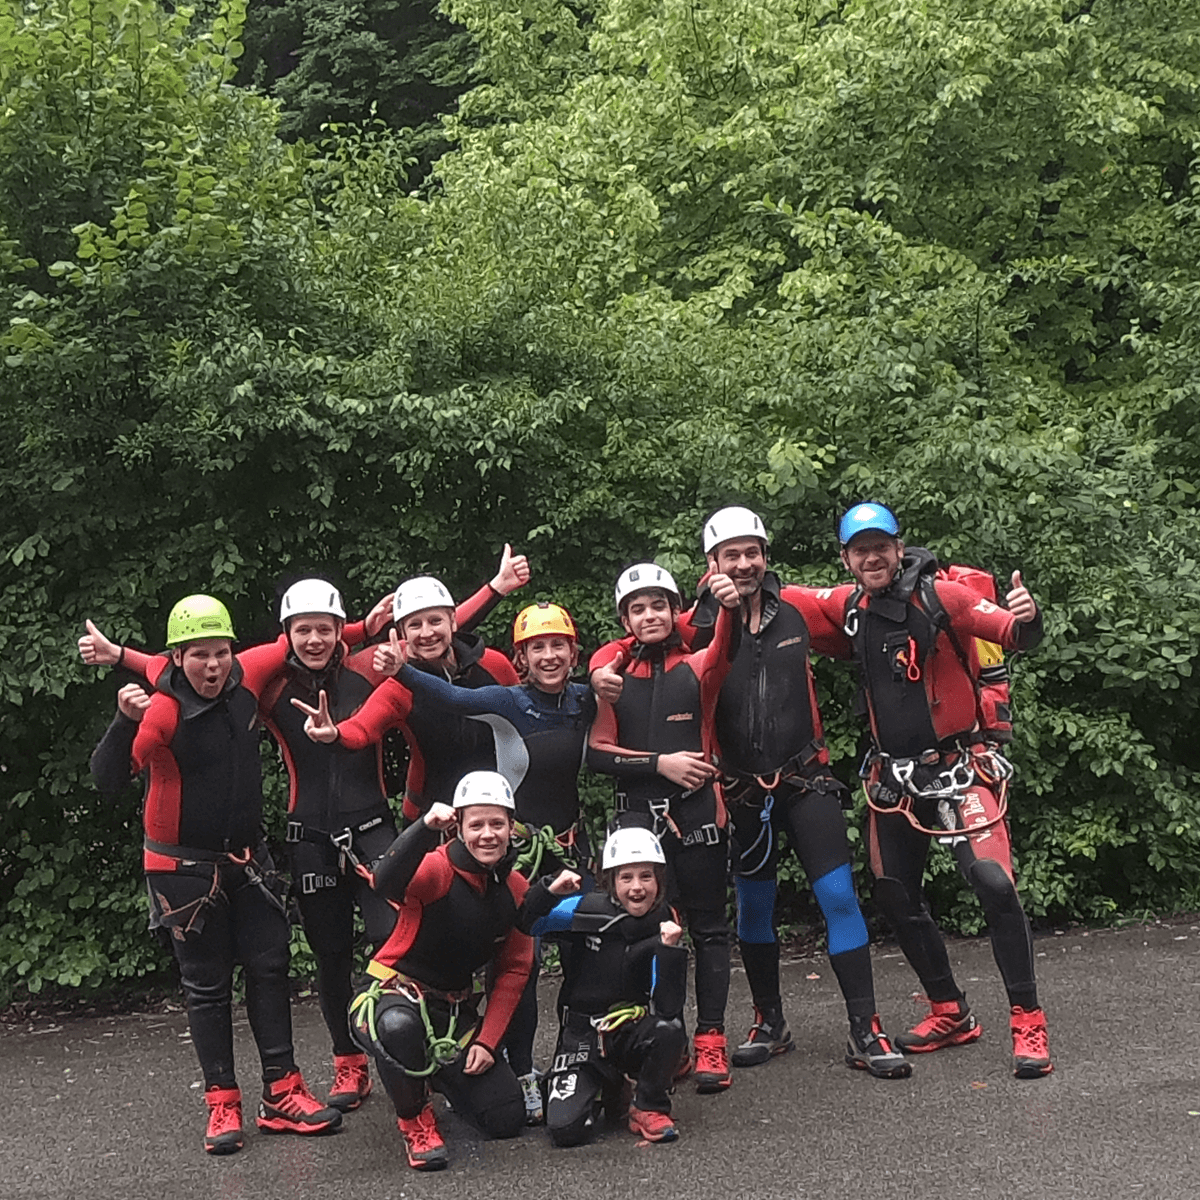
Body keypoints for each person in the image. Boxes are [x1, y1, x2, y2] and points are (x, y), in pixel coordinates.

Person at [591, 510, 910, 1080]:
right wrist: (597, 675)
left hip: (804, 778)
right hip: (738, 789)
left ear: (765, 556)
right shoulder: (690, 624)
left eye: (752, 553)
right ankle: (769, 1022)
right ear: (711, 563)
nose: (743, 564)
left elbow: (872, 600)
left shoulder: (799, 607)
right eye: (731, 555)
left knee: (838, 896)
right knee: (755, 909)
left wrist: (924, 574)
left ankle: (866, 1028)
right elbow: (629, 640)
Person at [88, 595, 342, 1155]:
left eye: (221, 652)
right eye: (199, 655)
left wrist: (378, 623)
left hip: (248, 861)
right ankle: (222, 1101)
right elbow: (109, 779)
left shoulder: (248, 675)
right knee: (207, 987)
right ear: (177, 659)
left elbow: (313, 636)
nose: (213, 665)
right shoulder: (162, 710)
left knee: (270, 969)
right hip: (182, 868)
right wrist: (123, 721)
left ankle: (282, 1092)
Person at [824, 501, 1052, 1078]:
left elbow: (1013, 635)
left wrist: (1028, 617)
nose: (872, 557)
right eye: (861, 550)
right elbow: (777, 601)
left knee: (994, 884)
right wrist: (720, 583)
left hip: (959, 767)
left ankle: (1028, 1019)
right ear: (847, 558)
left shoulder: (941, 597)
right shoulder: (850, 609)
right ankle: (950, 1010)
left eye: (881, 546)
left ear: (899, 549)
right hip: (894, 777)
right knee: (895, 894)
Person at [368, 600, 596, 1123]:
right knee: (522, 966)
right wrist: (402, 669)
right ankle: (522, 1068)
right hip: (517, 852)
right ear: (520, 658)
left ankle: (577, 1058)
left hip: (568, 848)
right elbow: (453, 697)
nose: (549, 656)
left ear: (573, 652)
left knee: (586, 955)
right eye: (537, 647)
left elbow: (613, 710)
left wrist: (612, 672)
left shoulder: (585, 698)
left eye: (558, 645)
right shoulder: (507, 699)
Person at [586, 563, 740, 1093]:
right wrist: (660, 764)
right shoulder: (613, 675)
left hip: (697, 815)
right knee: (644, 930)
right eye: (638, 609)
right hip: (637, 820)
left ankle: (711, 1038)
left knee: (709, 927)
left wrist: (726, 601)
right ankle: (662, 1038)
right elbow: (597, 753)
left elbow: (725, 642)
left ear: (678, 611)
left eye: (659, 606)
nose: (649, 615)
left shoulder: (697, 664)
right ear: (625, 620)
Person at [346, 771, 533, 1171]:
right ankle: (414, 1118)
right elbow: (385, 883)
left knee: (505, 1117)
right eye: (476, 825)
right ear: (458, 828)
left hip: (451, 1013)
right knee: (400, 1028)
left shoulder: (515, 888)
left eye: (497, 824)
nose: (487, 835)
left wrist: (487, 1042)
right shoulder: (437, 869)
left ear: (511, 828)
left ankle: (437, 1075)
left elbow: (514, 971)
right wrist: (423, 827)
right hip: (393, 997)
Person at [519, 826, 689, 1146]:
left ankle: (648, 1105)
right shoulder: (584, 907)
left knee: (669, 1030)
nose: (637, 887)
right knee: (566, 1131)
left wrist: (669, 952)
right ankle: (608, 1085)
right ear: (611, 881)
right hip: (582, 1036)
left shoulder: (665, 920)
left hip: (629, 1030)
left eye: (646, 877)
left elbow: (668, 1007)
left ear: (659, 881)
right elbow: (528, 923)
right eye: (626, 878)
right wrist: (549, 891)